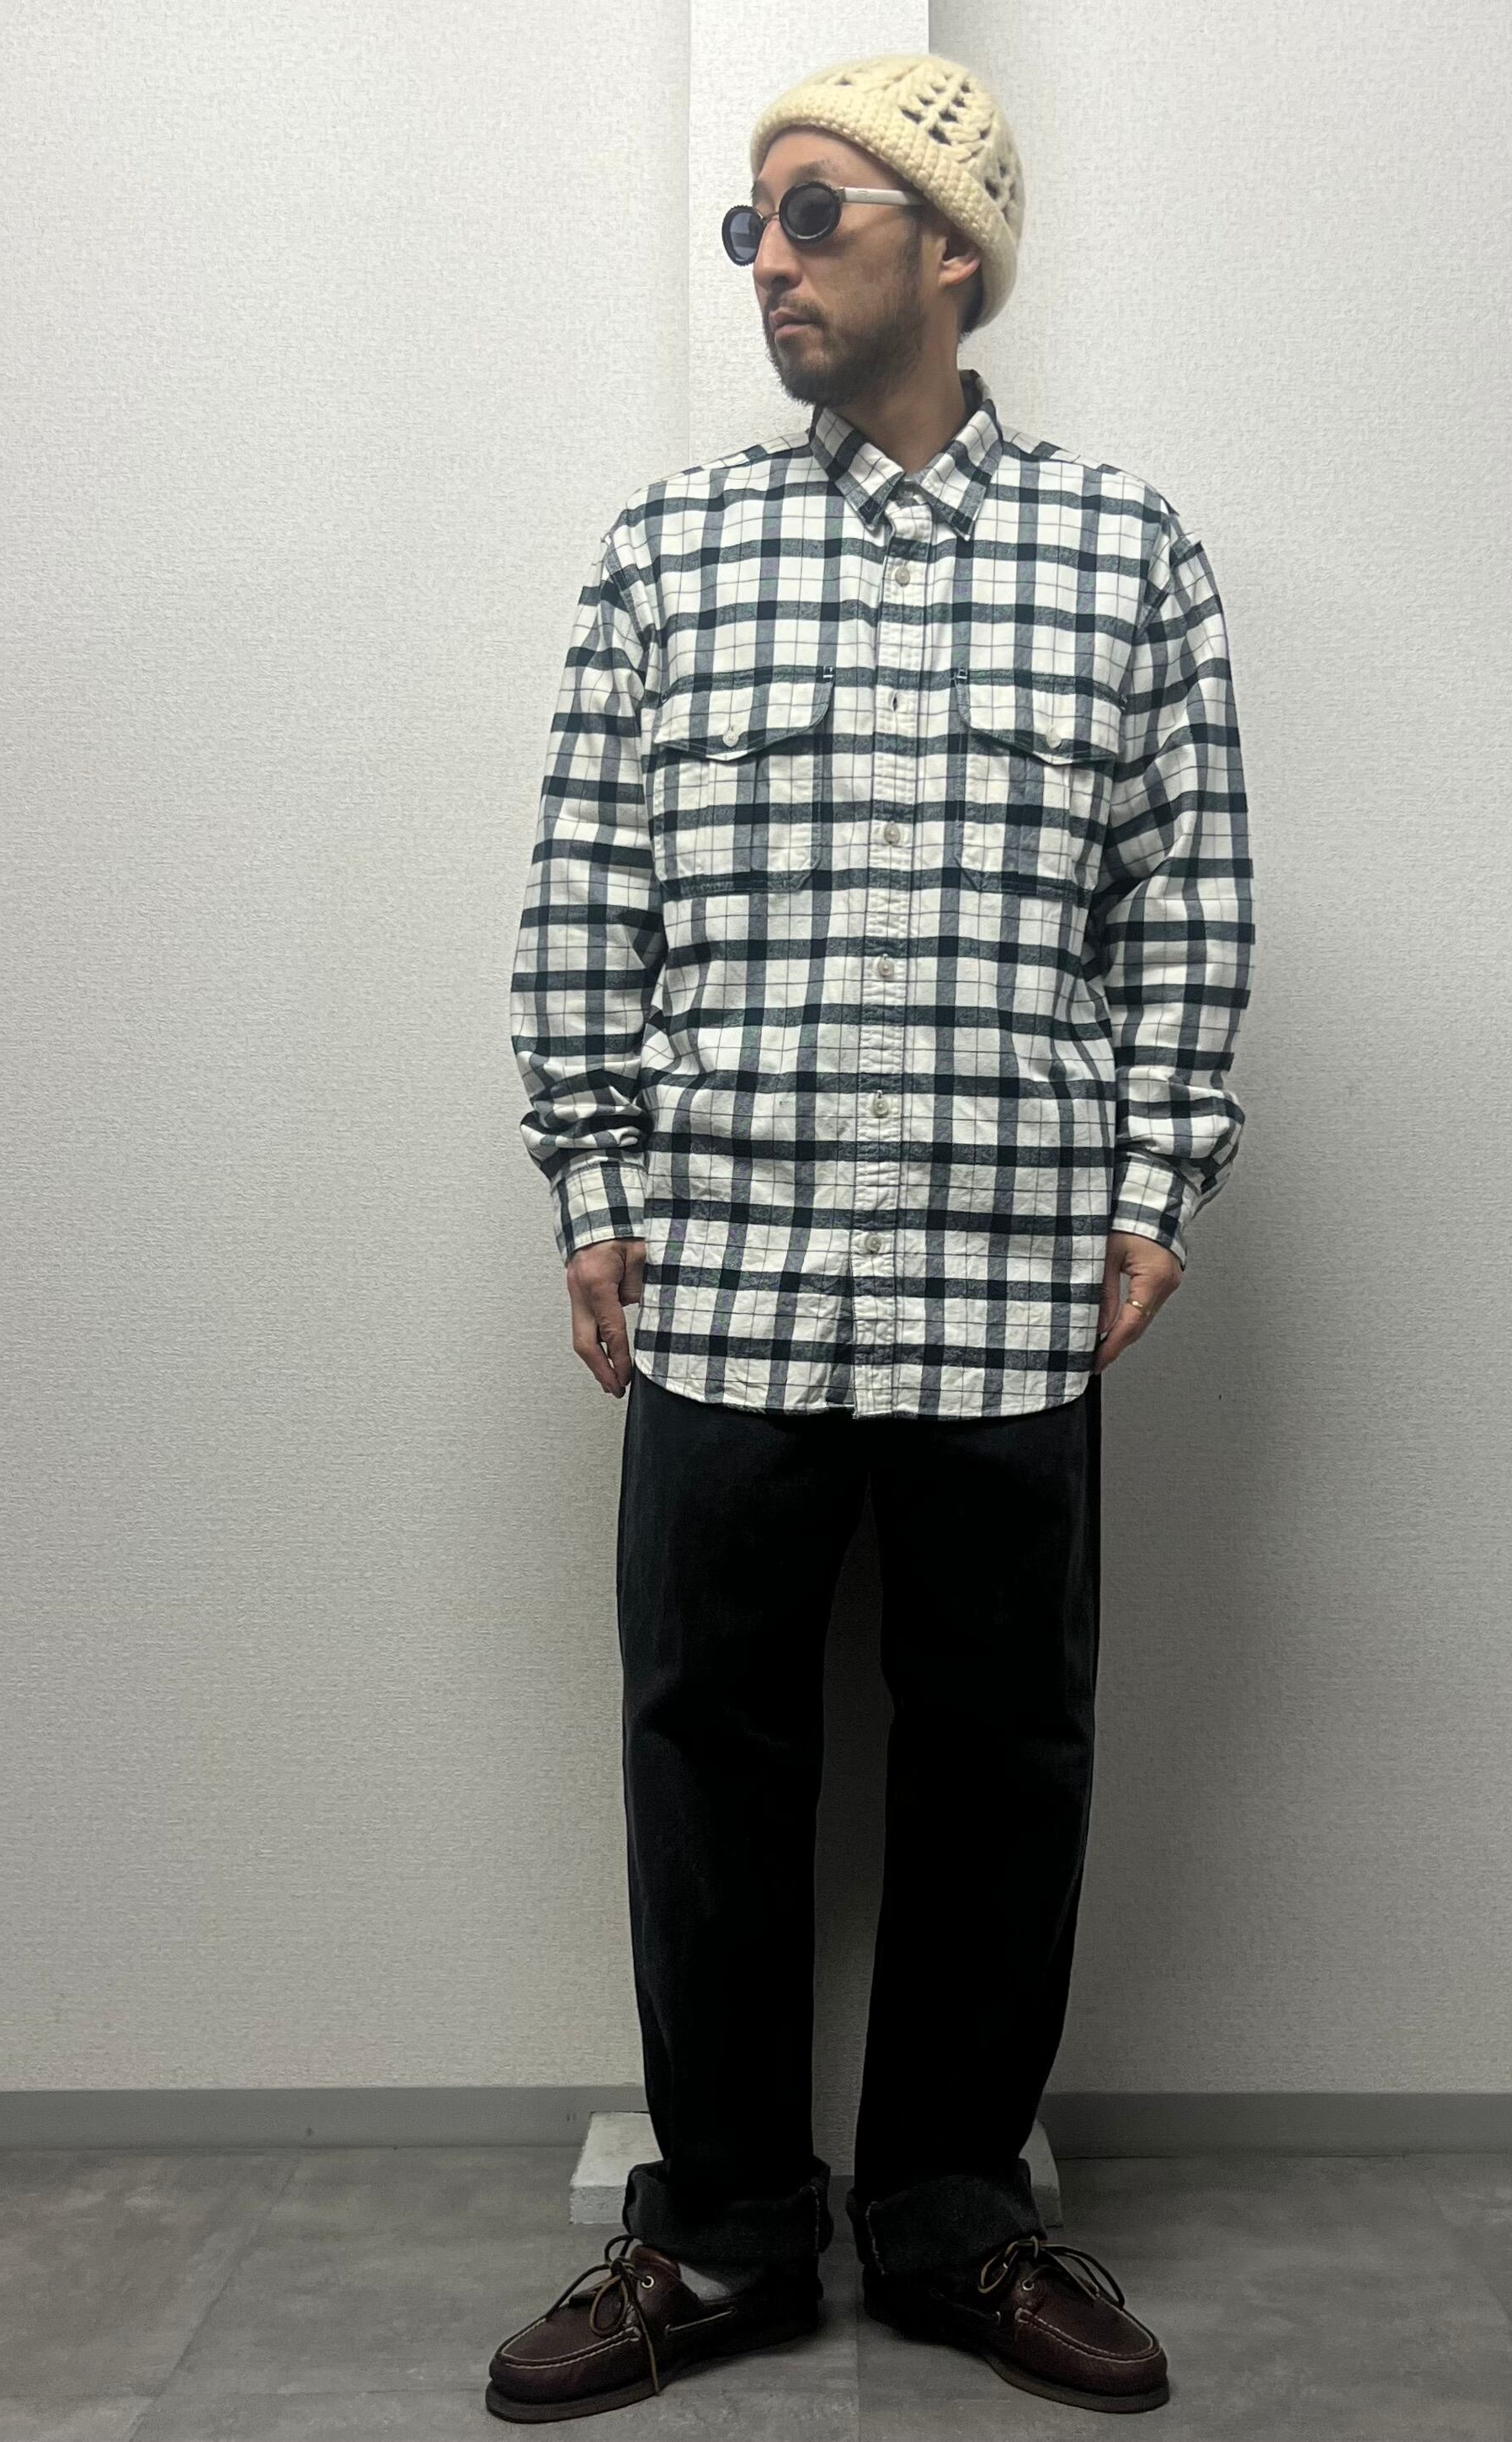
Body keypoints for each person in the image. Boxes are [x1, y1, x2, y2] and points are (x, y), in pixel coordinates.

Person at [492, 50, 1253, 2423]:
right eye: (750, 225)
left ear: (951, 243)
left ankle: (949, 2216)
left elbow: (1186, 903)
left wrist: (1153, 1183)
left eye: (814, 213)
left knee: (1003, 1752)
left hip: (1012, 1282)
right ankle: (720, 2229)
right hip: (723, 1275)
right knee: (705, 1750)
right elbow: (583, 895)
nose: (771, 261)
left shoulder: (1124, 554)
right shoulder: (668, 550)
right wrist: (595, 1182)